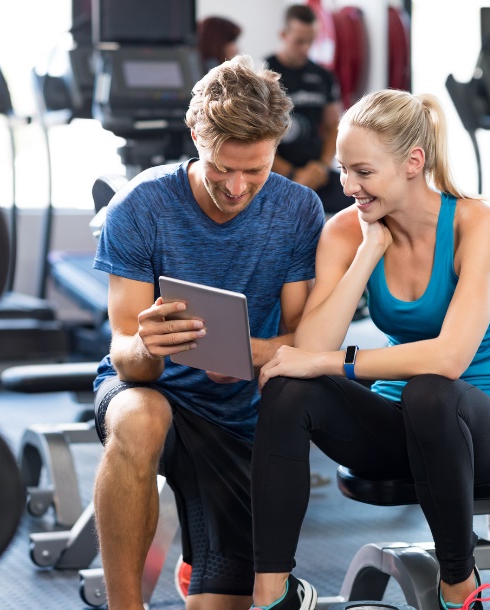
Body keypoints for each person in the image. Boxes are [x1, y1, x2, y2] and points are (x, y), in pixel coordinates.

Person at [248, 89, 490, 610]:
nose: (347, 186)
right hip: (396, 427)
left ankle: (459, 586)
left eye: (363, 172)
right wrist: (367, 252)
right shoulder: (344, 230)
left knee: (430, 391)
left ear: (412, 163)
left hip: (480, 428)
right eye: (343, 170)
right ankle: (273, 594)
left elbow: (448, 360)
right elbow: (310, 348)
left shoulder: (476, 223)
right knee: (288, 387)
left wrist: (330, 363)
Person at [91, 55, 324, 610]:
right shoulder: (141, 206)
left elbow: (306, 338)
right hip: (152, 391)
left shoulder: (298, 210)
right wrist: (147, 346)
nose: (237, 187)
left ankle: (201, 564)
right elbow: (124, 354)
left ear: (276, 147)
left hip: (240, 413)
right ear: (196, 136)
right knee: (141, 416)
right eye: (222, 167)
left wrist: (248, 354)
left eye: (256, 170)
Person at [265, 4, 350, 214]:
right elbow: (254, 137)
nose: (305, 48)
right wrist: (292, 174)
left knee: (357, 201)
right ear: (283, 35)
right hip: (275, 173)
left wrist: (321, 166)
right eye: (299, 41)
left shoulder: (323, 76)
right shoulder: (262, 73)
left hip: (315, 172)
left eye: (310, 41)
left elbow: (334, 126)